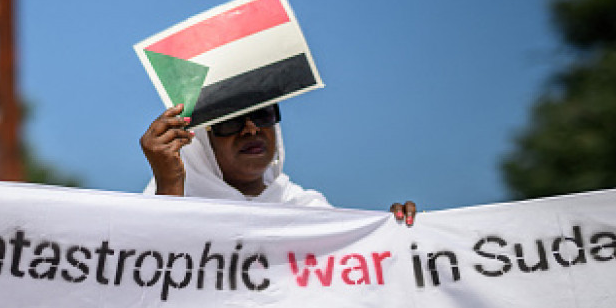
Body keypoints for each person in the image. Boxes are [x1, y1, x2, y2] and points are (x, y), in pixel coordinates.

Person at [140, 103, 417, 225]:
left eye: (262, 114)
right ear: (200, 140)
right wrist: (170, 186)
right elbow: (145, 273)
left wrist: (400, 237)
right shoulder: (169, 196)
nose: (251, 130)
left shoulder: (305, 208)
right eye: (231, 121)